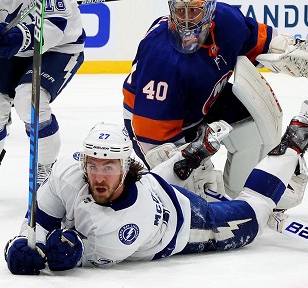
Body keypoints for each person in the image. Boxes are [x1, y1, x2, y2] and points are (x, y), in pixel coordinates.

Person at [2, 101, 308, 275]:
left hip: (184, 224)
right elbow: (40, 220)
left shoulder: (124, 226)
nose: (98, 176)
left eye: (108, 167)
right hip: (153, 184)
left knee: (253, 217)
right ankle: (188, 158)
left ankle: (296, 138)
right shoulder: (66, 172)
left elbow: (79, 254)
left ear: (124, 165)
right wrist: (20, 242)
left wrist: (67, 254)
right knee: (153, 182)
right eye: (93, 165)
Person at [122, 0, 295, 200]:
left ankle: (247, 197)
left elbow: (266, 44)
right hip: (150, 121)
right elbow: (153, 140)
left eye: (194, 11)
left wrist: (292, 52)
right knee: (195, 197)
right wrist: (185, 164)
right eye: (180, 11)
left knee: (255, 129)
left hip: (205, 99)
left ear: (210, 11)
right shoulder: (162, 58)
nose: (186, 21)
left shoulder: (228, 21)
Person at [0, 0, 85, 201]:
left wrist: (21, 36)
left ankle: (47, 168)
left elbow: (56, 25)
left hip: (57, 49)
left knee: (30, 101)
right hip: (11, 49)